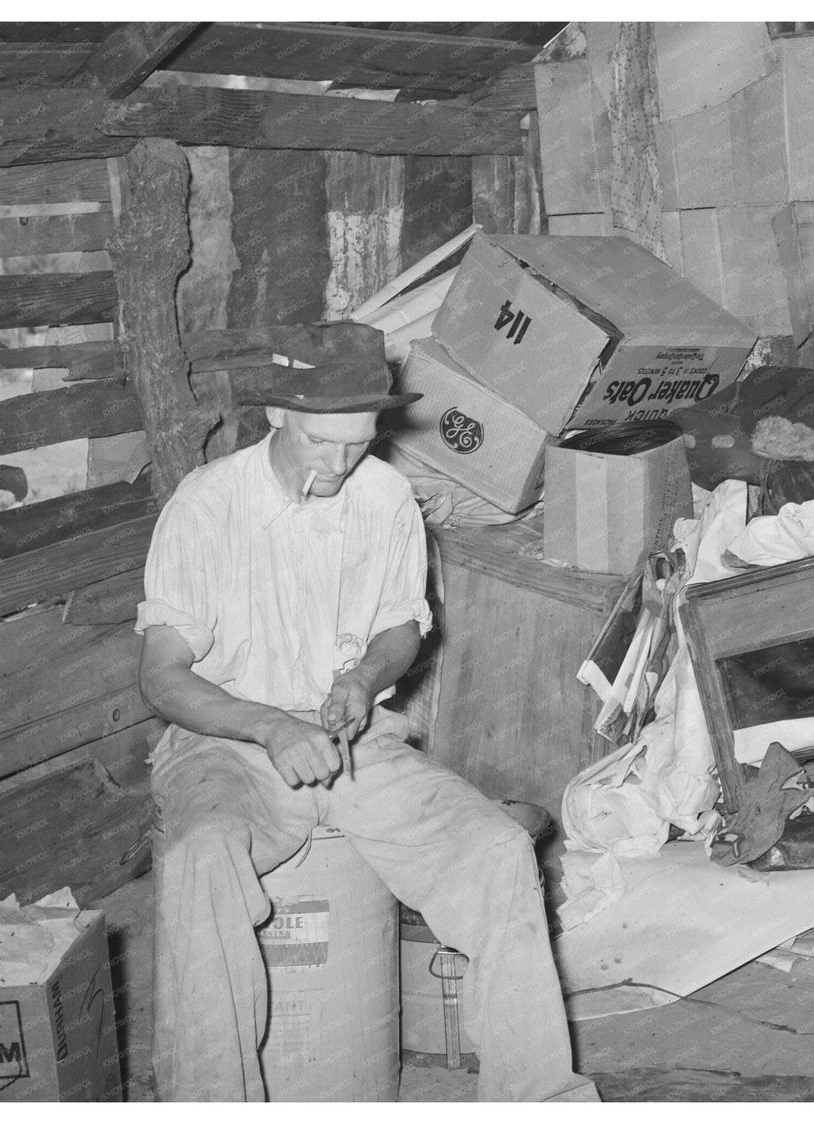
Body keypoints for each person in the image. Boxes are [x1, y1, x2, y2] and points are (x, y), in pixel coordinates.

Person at [135, 352, 598, 1102]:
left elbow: (401, 630)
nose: (342, 460)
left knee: (497, 851)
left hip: (354, 737)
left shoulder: (384, 495)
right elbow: (161, 677)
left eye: (359, 440)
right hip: (227, 738)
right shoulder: (208, 504)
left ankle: (542, 1101)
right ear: (277, 415)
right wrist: (266, 726)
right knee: (203, 859)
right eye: (322, 441)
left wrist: (363, 680)